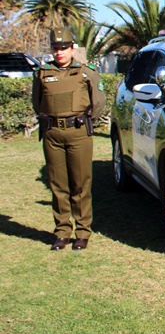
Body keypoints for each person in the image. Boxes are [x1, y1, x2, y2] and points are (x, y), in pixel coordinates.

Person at [32, 28, 105, 251]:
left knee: (80, 184)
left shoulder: (86, 72)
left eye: (64, 48)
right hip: (52, 134)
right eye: (56, 48)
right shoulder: (42, 73)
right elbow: (37, 102)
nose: (60, 52)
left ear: (72, 49)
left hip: (78, 134)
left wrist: (81, 122)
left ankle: (82, 232)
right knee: (58, 184)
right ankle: (62, 232)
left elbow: (98, 103)